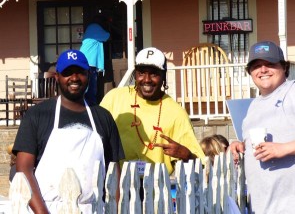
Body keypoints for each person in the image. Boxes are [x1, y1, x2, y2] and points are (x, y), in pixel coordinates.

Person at [12, 49, 124, 213]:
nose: (74, 78)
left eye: (80, 72)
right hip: (46, 208)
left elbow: (114, 172)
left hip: (93, 209)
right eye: (67, 73)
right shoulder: (37, 115)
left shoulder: (103, 117)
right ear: (57, 77)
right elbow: (23, 169)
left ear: (89, 74)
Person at [100, 47, 205, 175]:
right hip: (116, 186)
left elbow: (201, 164)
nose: (147, 79)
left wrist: (186, 155)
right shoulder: (114, 98)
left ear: (163, 76)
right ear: (135, 74)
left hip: (156, 189)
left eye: (154, 73)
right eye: (141, 73)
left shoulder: (176, 113)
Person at [229, 41, 295, 214]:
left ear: (284, 67)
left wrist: (284, 148)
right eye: (256, 66)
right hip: (263, 208)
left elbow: (280, 147)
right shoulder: (252, 108)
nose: (263, 70)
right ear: (250, 72)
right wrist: (239, 146)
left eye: (270, 64)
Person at [80, 23, 110, 105]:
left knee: (86, 86)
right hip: (89, 63)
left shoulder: (90, 30)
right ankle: (91, 107)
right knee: (91, 87)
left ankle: (86, 105)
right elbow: (107, 36)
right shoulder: (95, 29)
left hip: (84, 61)